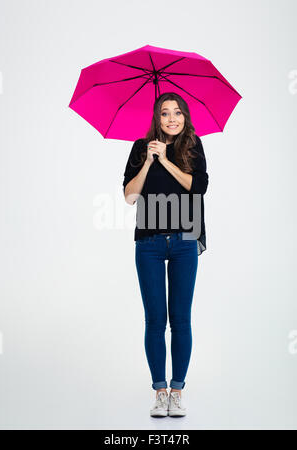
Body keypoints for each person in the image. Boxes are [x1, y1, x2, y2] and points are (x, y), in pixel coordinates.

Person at [122, 92, 209, 417]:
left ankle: (177, 391)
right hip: (149, 243)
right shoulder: (141, 147)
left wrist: (168, 161)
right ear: (156, 119)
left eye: (177, 113)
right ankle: (160, 391)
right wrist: (148, 160)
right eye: (164, 113)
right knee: (155, 320)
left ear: (185, 117)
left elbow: (198, 187)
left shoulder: (193, 146)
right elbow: (130, 197)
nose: (171, 118)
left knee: (181, 319)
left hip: (186, 239)